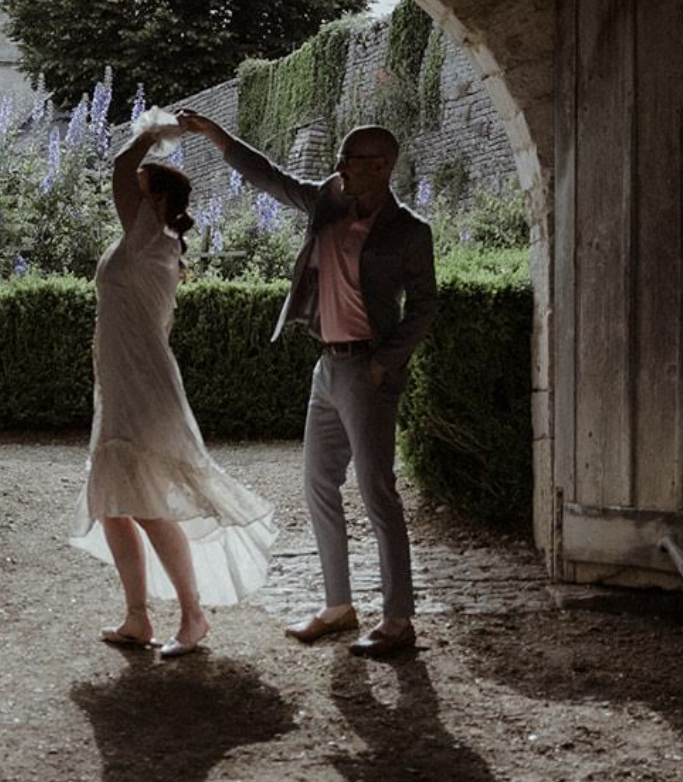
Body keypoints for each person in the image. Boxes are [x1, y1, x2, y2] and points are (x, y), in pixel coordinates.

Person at [178, 112, 437, 659]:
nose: (338, 166)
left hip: (368, 371)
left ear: (382, 167)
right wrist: (214, 134)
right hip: (327, 366)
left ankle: (398, 618)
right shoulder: (328, 201)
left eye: (350, 160)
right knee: (318, 485)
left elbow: (425, 307)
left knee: (377, 493)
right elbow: (268, 176)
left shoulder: (410, 232)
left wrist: (384, 363)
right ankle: (338, 606)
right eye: (340, 159)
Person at [70, 117, 276, 659]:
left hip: (142, 385)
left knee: (147, 503)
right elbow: (124, 175)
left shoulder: (150, 239)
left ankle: (193, 615)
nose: (127, 196)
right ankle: (137, 616)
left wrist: (153, 131)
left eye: (139, 193)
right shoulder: (146, 241)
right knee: (113, 502)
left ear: (155, 202)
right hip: (119, 382)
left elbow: (119, 166)